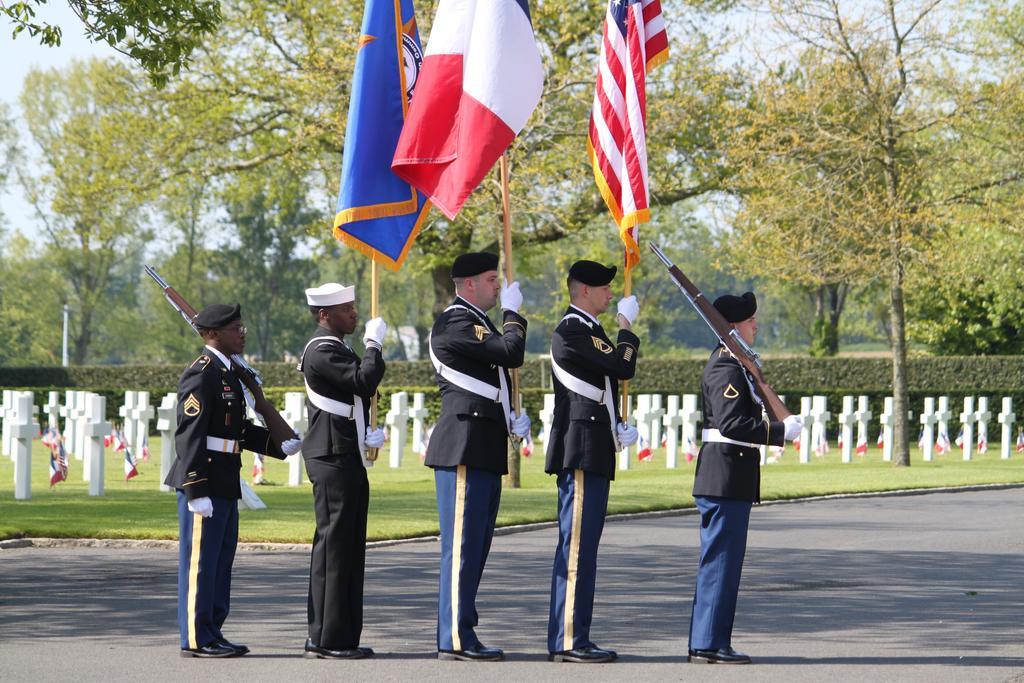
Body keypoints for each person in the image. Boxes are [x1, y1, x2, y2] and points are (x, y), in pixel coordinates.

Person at [165, 303, 290, 658]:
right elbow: (189, 434)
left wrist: (276, 443)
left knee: (221, 562)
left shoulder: (229, 372)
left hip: (225, 478)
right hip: (204, 480)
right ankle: (195, 636)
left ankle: (213, 630)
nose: (243, 333)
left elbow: (235, 430)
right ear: (213, 334)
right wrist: (195, 487)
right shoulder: (201, 373)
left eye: (242, 326)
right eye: (236, 328)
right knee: (200, 564)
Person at [425, 251, 532, 661]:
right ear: (468, 284)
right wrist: (513, 315)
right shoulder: (456, 322)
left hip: (483, 443)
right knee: (463, 548)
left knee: (478, 546)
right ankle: (453, 637)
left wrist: (510, 417)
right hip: (464, 446)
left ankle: (462, 630)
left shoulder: (475, 323)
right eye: (491, 279)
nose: (498, 286)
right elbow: (511, 352)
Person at [687, 292, 802, 665]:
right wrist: (780, 432)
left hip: (731, 475)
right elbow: (732, 422)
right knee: (720, 563)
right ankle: (707, 643)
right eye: (751, 320)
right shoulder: (725, 367)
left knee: (725, 564)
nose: (756, 325)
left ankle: (712, 639)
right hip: (724, 476)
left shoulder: (738, 365)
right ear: (733, 326)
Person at [544, 260, 640, 664]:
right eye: (603, 289)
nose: (609, 294)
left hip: (593, 445)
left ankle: (576, 634)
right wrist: (626, 328)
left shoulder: (588, 330)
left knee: (586, 548)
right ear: (583, 290)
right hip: (581, 449)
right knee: (578, 547)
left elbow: (602, 384)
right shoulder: (573, 330)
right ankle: (568, 638)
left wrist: (616, 424)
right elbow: (622, 365)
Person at [297, 282, 388, 659]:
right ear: (324, 315)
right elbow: (364, 381)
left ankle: (343, 634)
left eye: (352, 307)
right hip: (331, 456)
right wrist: (374, 345)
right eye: (346, 310)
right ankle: (326, 637)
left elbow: (355, 395)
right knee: (335, 549)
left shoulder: (336, 347)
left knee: (349, 548)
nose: (354, 314)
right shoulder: (321, 350)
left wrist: (366, 428)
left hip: (344, 451)